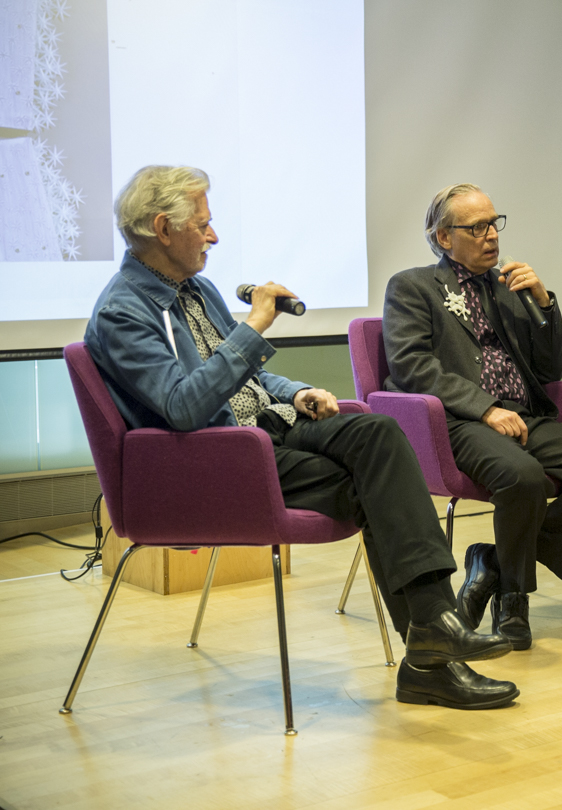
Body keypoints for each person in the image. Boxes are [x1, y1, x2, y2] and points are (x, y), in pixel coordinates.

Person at [85, 165, 519, 710]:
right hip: (219, 458)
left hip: (267, 431)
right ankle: (431, 652)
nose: (214, 236)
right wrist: (253, 327)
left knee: (377, 434)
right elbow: (183, 407)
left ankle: (434, 634)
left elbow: (249, 376)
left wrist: (294, 392)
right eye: (203, 225)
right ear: (162, 229)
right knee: (373, 486)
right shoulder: (124, 311)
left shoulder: (196, 290)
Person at [382, 183, 562, 650]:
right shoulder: (412, 286)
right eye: (476, 227)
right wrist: (485, 409)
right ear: (443, 237)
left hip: (525, 416)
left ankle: (494, 564)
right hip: (460, 422)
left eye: (494, 224)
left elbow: (547, 369)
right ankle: (514, 599)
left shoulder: (508, 287)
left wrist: (543, 303)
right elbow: (412, 367)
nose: (491, 236)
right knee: (524, 477)